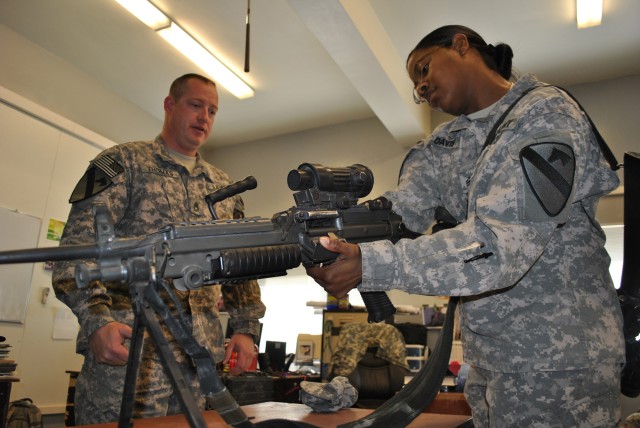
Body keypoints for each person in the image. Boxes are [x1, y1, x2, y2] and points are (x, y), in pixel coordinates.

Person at [306, 25, 624, 427]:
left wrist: (370, 265)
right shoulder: (444, 144)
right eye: (415, 85)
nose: (421, 88)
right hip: (490, 356)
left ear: (460, 44)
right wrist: (327, 234)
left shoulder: (544, 112)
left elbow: (501, 244)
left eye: (423, 69)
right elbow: (400, 214)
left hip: (558, 357)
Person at [52, 73, 266, 424]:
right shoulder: (125, 164)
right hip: (131, 352)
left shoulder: (225, 187)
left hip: (198, 362)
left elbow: (239, 262)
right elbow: (76, 250)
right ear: (170, 105)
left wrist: (245, 328)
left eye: (212, 110)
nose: (204, 117)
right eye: (195, 105)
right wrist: (96, 322)